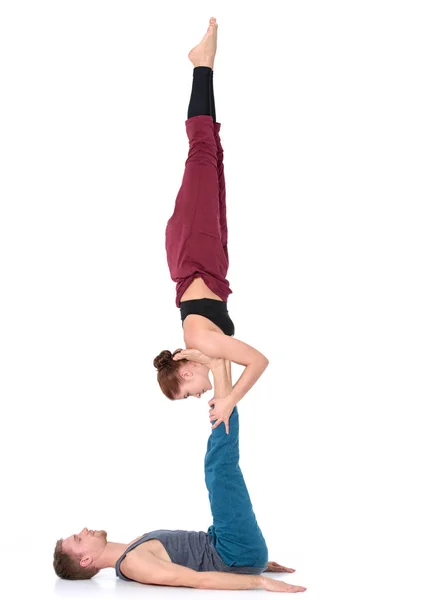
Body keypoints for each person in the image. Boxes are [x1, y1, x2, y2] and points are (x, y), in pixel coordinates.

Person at [53, 352, 306, 593]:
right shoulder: (133, 563)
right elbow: (197, 580)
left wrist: (260, 565)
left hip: (233, 550)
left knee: (216, 463)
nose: (83, 530)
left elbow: (195, 555)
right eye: (78, 539)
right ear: (85, 560)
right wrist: (258, 581)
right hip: (233, 552)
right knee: (220, 466)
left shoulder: (135, 547)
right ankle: (219, 367)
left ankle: (221, 370)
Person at [154, 17, 269, 434]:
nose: (199, 397)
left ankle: (201, 65)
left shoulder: (203, 345)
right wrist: (225, 403)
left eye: (189, 393)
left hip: (192, 246)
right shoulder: (203, 354)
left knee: (201, 151)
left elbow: (258, 361)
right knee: (213, 154)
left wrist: (232, 397)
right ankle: (203, 66)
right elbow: (220, 379)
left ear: (184, 373)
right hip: (207, 256)